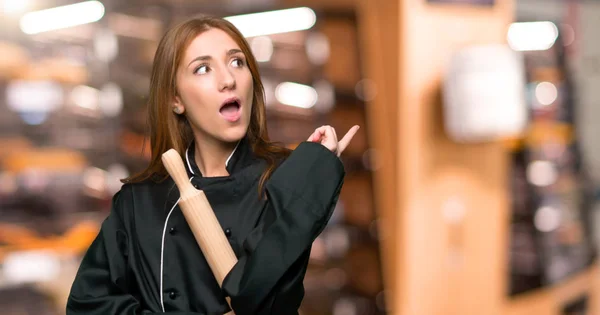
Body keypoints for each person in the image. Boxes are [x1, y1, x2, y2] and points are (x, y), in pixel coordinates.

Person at [66, 16, 359, 315]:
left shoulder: (282, 181)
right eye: (203, 68)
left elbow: (259, 299)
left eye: (237, 62)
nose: (228, 79)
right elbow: (87, 306)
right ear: (175, 99)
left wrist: (308, 178)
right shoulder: (139, 201)